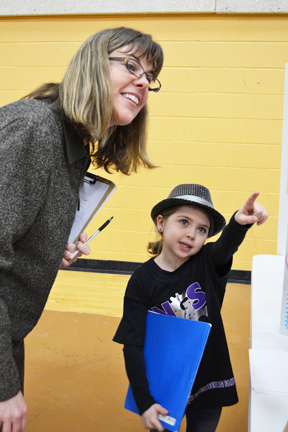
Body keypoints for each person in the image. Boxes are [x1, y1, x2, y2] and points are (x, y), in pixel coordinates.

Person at [0, 27, 164, 431]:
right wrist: (4, 385)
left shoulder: (70, 148)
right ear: (92, 63)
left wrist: (46, 248)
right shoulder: (35, 129)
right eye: (131, 65)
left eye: (150, 77)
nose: (142, 82)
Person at [113, 183, 268, 432]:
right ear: (161, 223)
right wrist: (144, 401)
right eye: (184, 222)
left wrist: (239, 223)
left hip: (208, 378)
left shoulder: (208, 262)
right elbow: (132, 344)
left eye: (201, 229)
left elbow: (226, 245)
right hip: (166, 386)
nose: (191, 234)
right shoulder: (141, 281)